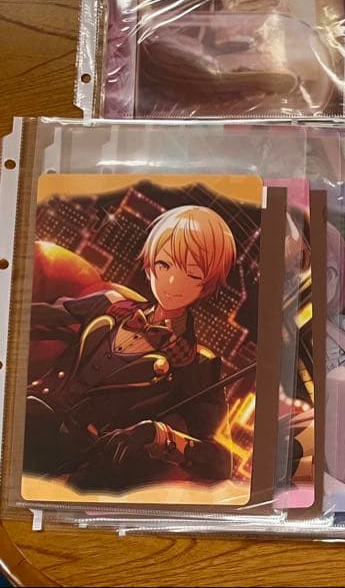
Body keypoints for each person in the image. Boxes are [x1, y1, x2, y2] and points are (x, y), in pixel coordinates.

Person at [25, 206, 239, 493]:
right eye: (164, 265)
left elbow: (219, 463)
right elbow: (31, 316)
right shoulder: (110, 305)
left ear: (207, 284)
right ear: (150, 264)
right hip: (27, 420)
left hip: (71, 464)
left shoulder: (195, 362)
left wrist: (157, 435)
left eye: (191, 274)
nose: (172, 282)